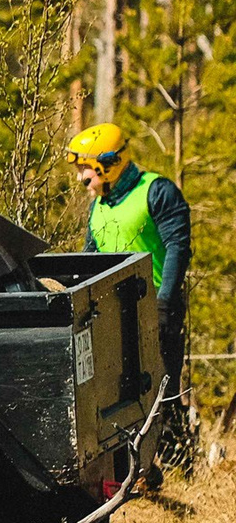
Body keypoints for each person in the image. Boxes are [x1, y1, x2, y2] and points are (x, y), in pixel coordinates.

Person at [69, 123, 191, 406]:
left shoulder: (158, 191)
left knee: (161, 398)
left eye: (83, 169)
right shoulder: (98, 206)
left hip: (155, 310)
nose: (79, 178)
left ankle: (174, 448)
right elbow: (89, 259)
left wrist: (162, 306)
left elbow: (178, 249)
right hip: (111, 316)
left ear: (106, 166)